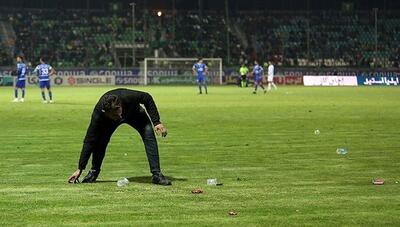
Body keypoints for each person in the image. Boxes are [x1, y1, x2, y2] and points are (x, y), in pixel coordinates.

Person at [68, 88, 171, 186]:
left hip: (135, 114)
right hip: (109, 121)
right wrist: (80, 168)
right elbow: (89, 140)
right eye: (115, 115)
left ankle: (156, 175)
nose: (120, 118)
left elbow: (147, 98)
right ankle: (94, 172)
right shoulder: (99, 114)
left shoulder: (128, 96)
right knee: (101, 142)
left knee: (149, 135)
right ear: (106, 112)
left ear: (119, 106)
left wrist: (156, 122)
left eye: (119, 113)